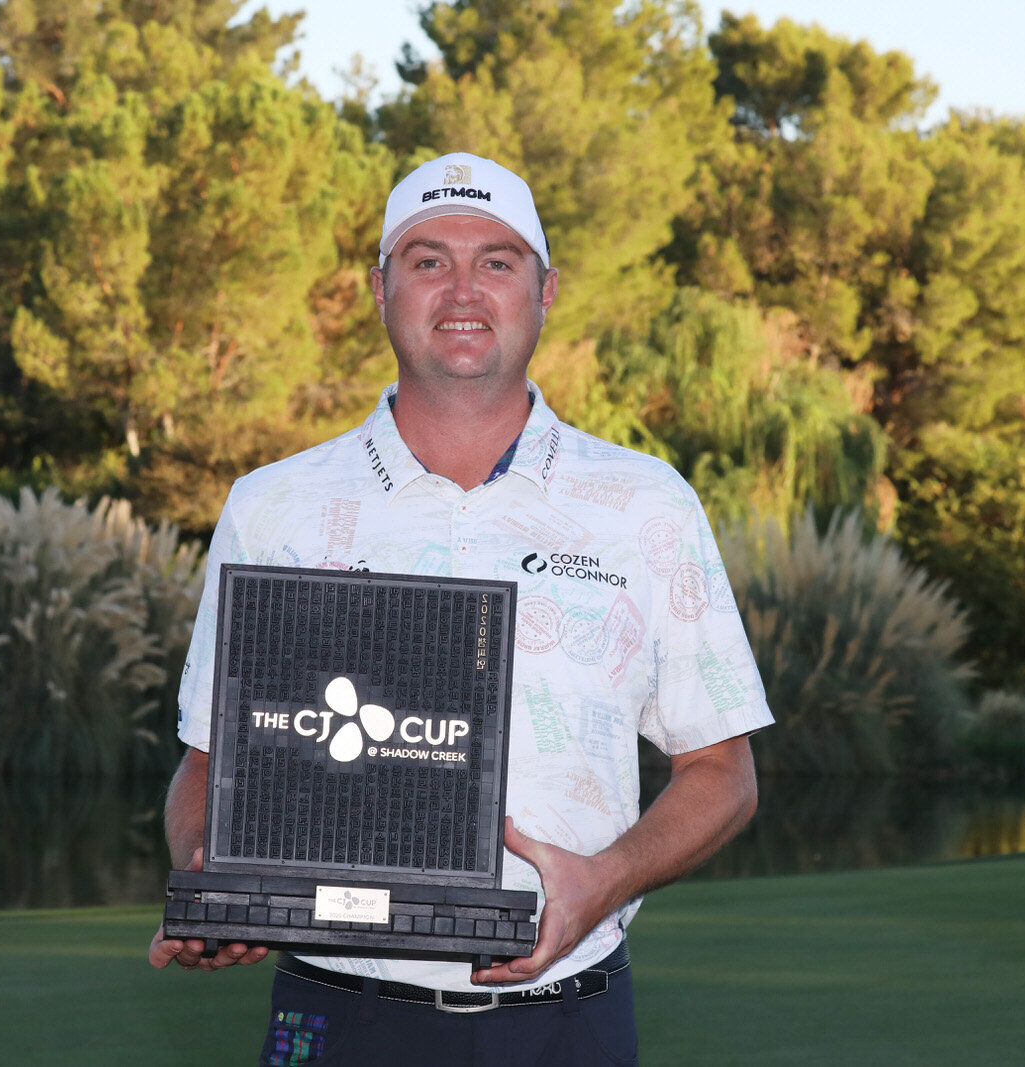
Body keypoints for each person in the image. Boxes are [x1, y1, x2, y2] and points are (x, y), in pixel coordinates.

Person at [149, 152, 773, 1066]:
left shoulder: (647, 504)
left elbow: (725, 770)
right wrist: (216, 878)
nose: (463, 288)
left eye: (498, 260)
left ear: (546, 288)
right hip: (338, 1015)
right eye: (428, 259)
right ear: (380, 288)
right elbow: (207, 762)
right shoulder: (273, 503)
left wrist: (603, 881)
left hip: (567, 1020)